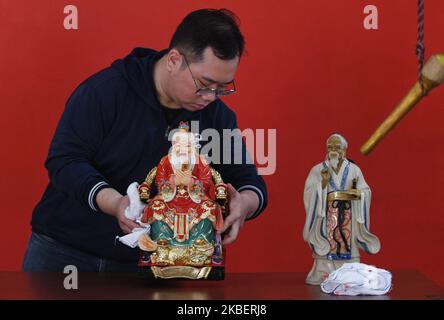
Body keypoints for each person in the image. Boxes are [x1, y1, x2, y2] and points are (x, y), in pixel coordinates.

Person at [22, 8, 267, 272]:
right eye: (205, 83)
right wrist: (116, 203)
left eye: (223, 87)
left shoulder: (217, 117)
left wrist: (243, 204)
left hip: (144, 263)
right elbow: (65, 162)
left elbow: (249, 183)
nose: (211, 96)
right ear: (174, 60)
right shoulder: (105, 92)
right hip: (63, 252)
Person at [303, 134, 380, 285]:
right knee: (326, 246)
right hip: (326, 217)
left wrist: (358, 194)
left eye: (337, 147)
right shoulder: (318, 169)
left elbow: (365, 191)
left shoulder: (354, 170)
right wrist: (322, 185)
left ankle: (350, 273)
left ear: (344, 150)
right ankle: (324, 273)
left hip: (348, 216)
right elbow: (308, 192)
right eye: (330, 147)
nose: (333, 150)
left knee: (347, 244)